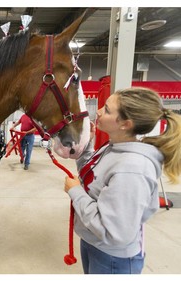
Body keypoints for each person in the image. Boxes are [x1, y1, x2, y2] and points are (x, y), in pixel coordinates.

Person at [64, 87, 181, 274]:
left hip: (112, 258)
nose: (99, 111)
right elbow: (91, 176)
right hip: (95, 243)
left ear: (125, 124)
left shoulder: (132, 168)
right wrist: (88, 146)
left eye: (107, 110)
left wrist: (76, 192)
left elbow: (114, 232)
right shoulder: (113, 148)